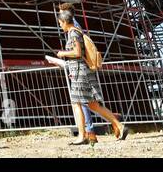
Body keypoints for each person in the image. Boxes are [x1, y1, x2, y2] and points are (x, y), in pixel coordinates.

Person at [52, 10, 127, 144]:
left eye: (60, 23)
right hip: (82, 71)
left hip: (79, 72)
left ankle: (82, 136)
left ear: (64, 22)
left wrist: (62, 53)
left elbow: (77, 52)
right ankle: (120, 126)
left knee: (76, 103)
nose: (60, 26)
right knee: (94, 105)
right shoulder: (76, 31)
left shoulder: (73, 33)